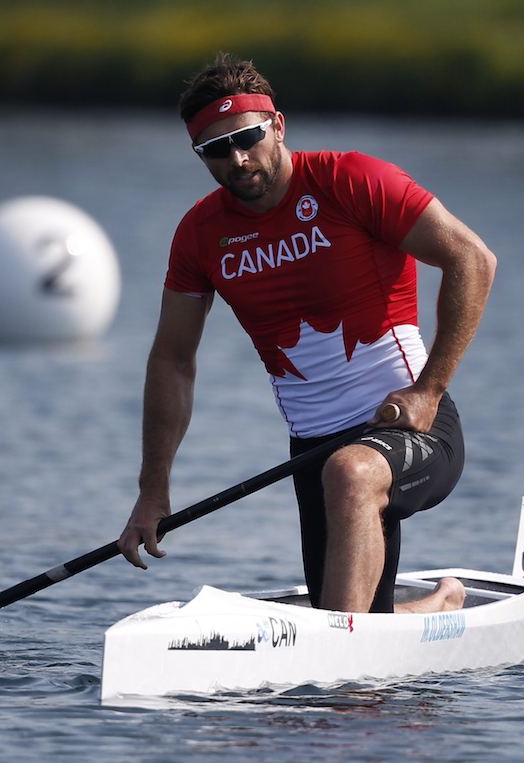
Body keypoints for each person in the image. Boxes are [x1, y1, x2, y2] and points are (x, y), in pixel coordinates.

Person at [118, 53, 496, 614]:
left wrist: (428, 390)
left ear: (278, 126)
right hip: (312, 452)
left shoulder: (353, 181)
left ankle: (346, 659)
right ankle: (438, 606)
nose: (237, 158)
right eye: (216, 149)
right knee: (351, 610)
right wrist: (153, 491)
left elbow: (473, 259)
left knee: (351, 474)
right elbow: (172, 360)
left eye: (247, 137)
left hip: (410, 426)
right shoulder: (199, 235)